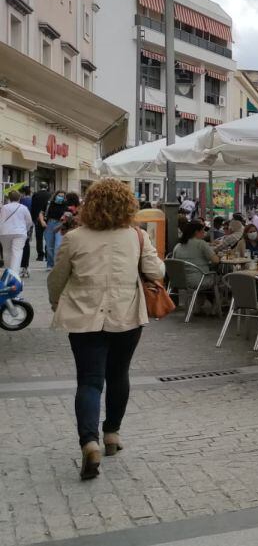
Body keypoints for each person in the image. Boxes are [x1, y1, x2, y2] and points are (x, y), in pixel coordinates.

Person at [47, 178, 165, 480]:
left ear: (91, 205)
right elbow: (157, 272)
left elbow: (56, 278)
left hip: (84, 317)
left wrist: (54, 302)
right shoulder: (137, 236)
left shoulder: (74, 238)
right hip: (126, 316)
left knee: (89, 381)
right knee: (118, 374)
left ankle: (89, 442)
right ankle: (112, 433)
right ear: (129, 206)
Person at [0, 189, 33, 281]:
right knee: (17, 252)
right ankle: (14, 275)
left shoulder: (4, 207)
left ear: (9, 198)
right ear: (19, 198)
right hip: (20, 232)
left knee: (6, 252)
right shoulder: (23, 208)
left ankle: (7, 271)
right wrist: (25, 229)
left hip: (5, 232)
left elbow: (1, 220)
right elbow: (29, 222)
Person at [42, 189, 70, 268]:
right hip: (50, 224)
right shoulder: (49, 204)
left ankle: (56, 265)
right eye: (59, 196)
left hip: (60, 225)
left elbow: (68, 215)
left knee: (58, 245)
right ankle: (50, 264)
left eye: (62, 196)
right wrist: (42, 222)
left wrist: (65, 218)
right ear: (55, 196)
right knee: (49, 246)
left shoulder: (65, 205)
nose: (60, 197)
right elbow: (41, 213)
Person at [30, 183, 51, 262]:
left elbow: (33, 207)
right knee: (48, 237)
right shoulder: (50, 195)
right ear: (47, 187)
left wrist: (34, 218)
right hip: (47, 218)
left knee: (39, 238)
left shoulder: (35, 195)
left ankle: (40, 256)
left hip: (38, 219)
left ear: (39, 187)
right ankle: (47, 254)